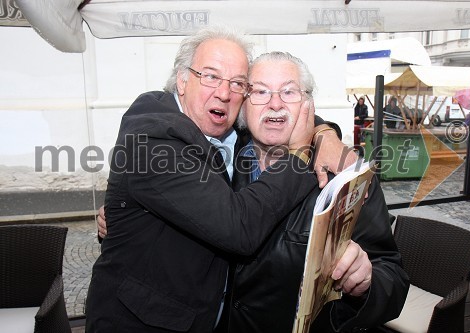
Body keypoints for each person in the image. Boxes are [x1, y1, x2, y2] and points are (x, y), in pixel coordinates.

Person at [98, 51, 409, 333]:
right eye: (259, 91)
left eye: (289, 92)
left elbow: (392, 277)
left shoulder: (344, 175)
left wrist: (368, 282)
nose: (275, 104)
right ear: (242, 104)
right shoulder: (218, 160)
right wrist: (131, 213)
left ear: (308, 104)